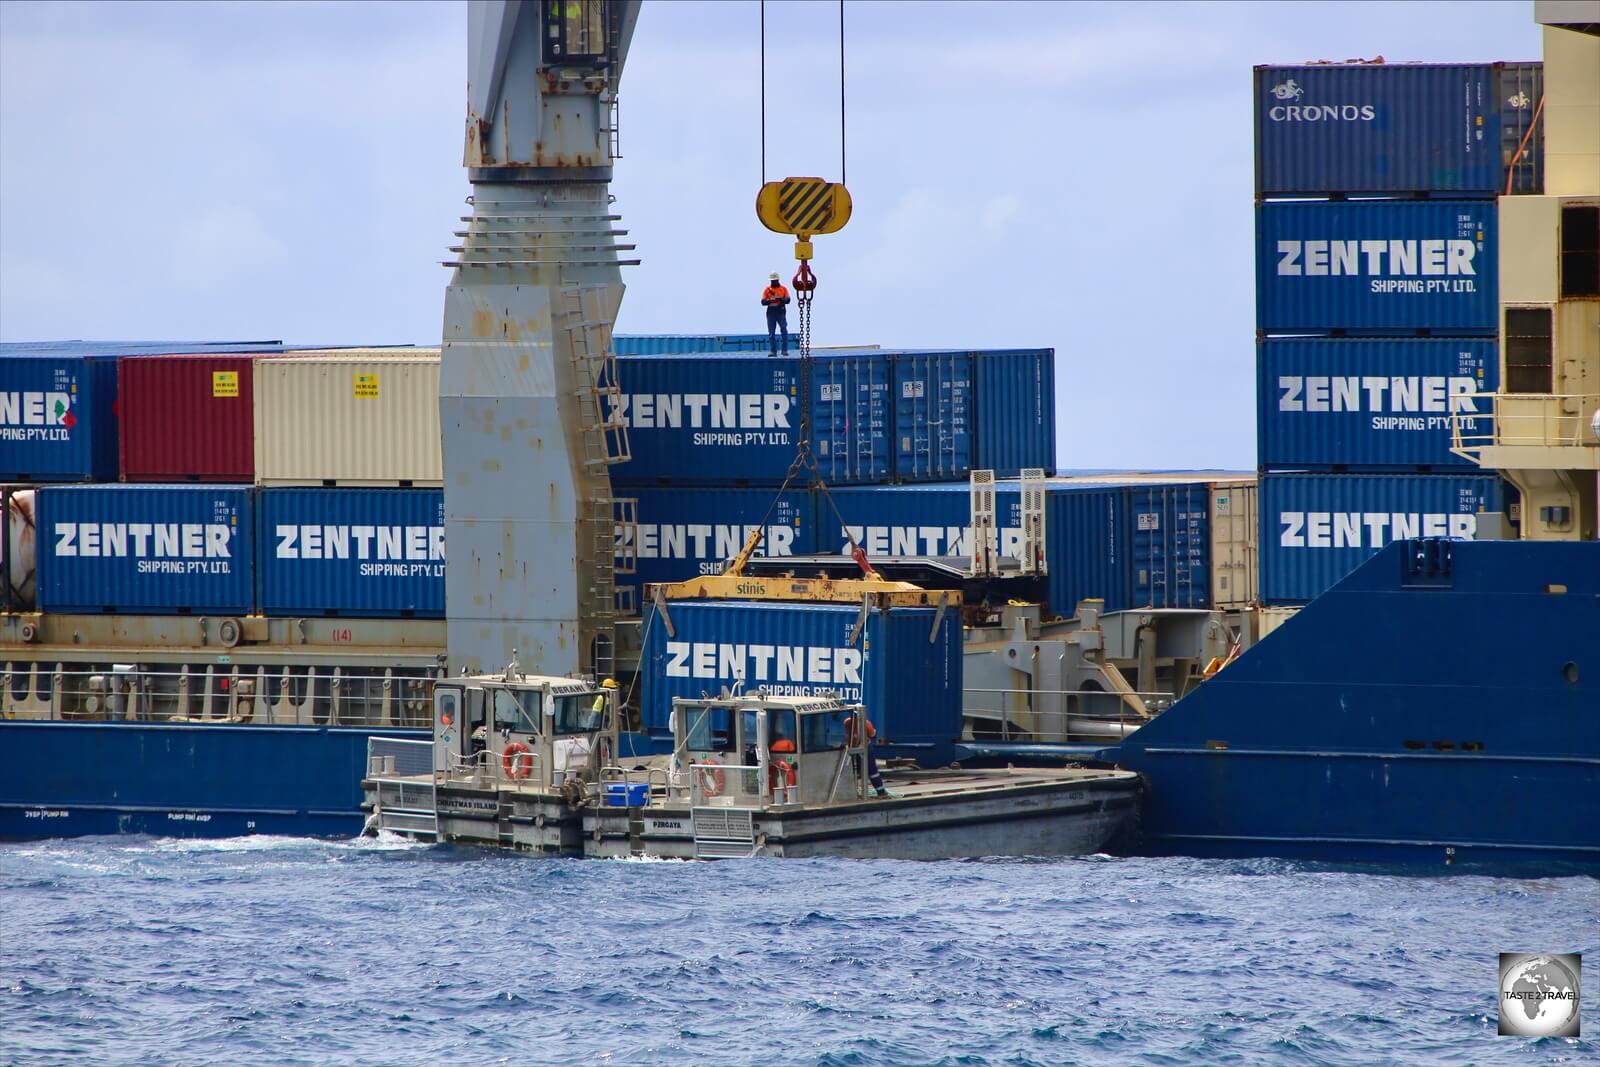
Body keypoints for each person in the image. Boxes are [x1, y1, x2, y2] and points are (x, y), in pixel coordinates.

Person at [844, 712, 891, 798]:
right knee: (872, 770)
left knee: (854, 771)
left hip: (852, 747)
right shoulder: (866, 723)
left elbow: (848, 733)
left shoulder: (847, 721)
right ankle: (881, 792)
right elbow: (872, 734)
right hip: (865, 747)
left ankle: (853, 792)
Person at [761, 272, 790, 356]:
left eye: (775, 280)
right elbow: (763, 301)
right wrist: (770, 300)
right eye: (772, 281)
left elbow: (788, 300)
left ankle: (784, 350)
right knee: (771, 333)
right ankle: (773, 351)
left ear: (778, 280)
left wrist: (781, 299)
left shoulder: (783, 289)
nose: (773, 282)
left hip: (780, 311)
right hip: (771, 312)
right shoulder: (767, 290)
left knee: (784, 330)